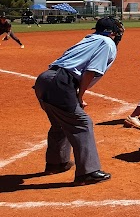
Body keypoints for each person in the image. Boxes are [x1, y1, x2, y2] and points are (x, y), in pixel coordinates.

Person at [32, 16, 124, 185]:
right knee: (82, 123)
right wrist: (79, 96)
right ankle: (88, 172)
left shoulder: (88, 39)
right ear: (112, 33)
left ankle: (57, 163)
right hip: (61, 81)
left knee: (60, 123)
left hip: (44, 80)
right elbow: (91, 71)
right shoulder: (107, 43)